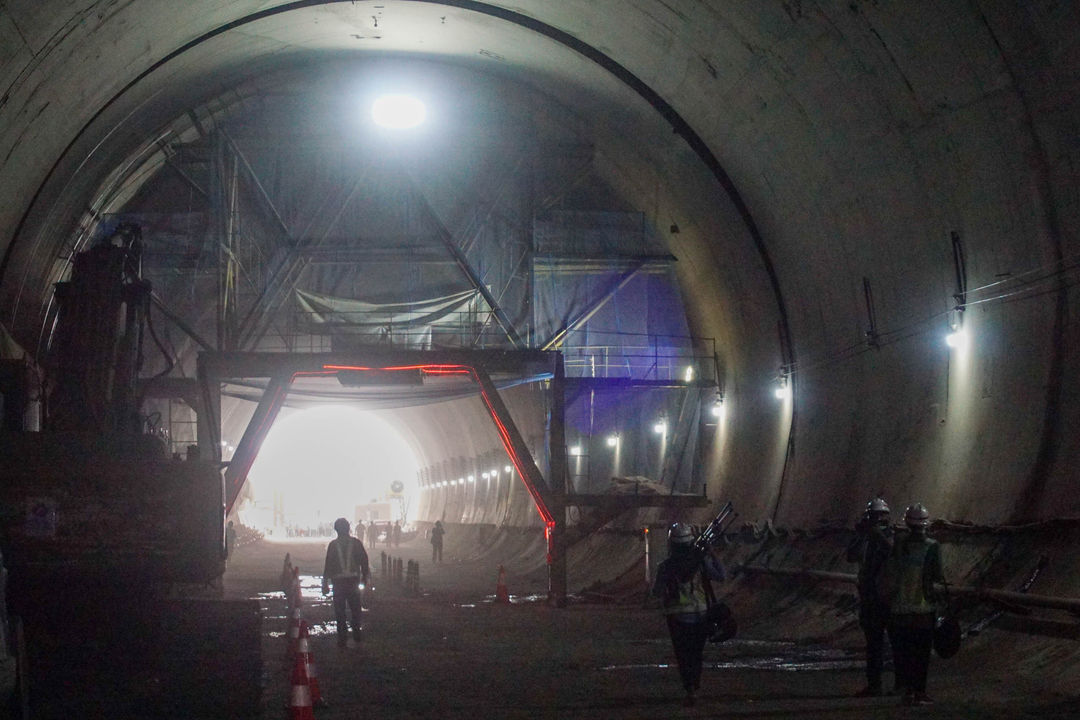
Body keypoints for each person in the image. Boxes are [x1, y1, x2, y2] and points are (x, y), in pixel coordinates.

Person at [651, 522, 726, 707]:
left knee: (683, 655)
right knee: (696, 654)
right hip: (700, 615)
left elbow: (657, 592)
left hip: (677, 618)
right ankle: (696, 686)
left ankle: (690, 689)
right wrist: (711, 553)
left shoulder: (666, 566)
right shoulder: (700, 562)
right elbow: (721, 575)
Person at [885, 503, 945, 706]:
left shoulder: (898, 543)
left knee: (903, 652)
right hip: (923, 608)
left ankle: (906, 689)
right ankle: (919, 692)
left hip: (899, 608)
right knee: (921, 653)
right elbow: (938, 575)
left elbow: (890, 570)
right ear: (926, 524)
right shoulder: (932, 546)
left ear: (907, 522)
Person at [845, 497, 895, 696]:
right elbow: (851, 556)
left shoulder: (892, 536)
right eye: (874, 516)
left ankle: (902, 684)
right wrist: (862, 536)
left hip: (887, 596)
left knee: (896, 641)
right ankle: (874, 684)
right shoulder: (864, 537)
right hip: (869, 596)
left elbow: (894, 552)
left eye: (880, 516)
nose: (877, 519)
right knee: (873, 643)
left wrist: (877, 536)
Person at [321, 518, 370, 647]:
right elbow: (364, 561)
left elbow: (328, 565)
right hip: (353, 582)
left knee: (340, 611)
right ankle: (356, 633)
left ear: (336, 530)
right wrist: (365, 577)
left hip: (338, 583)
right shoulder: (356, 543)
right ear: (349, 528)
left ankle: (342, 637)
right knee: (355, 609)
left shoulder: (333, 545)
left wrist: (325, 582)